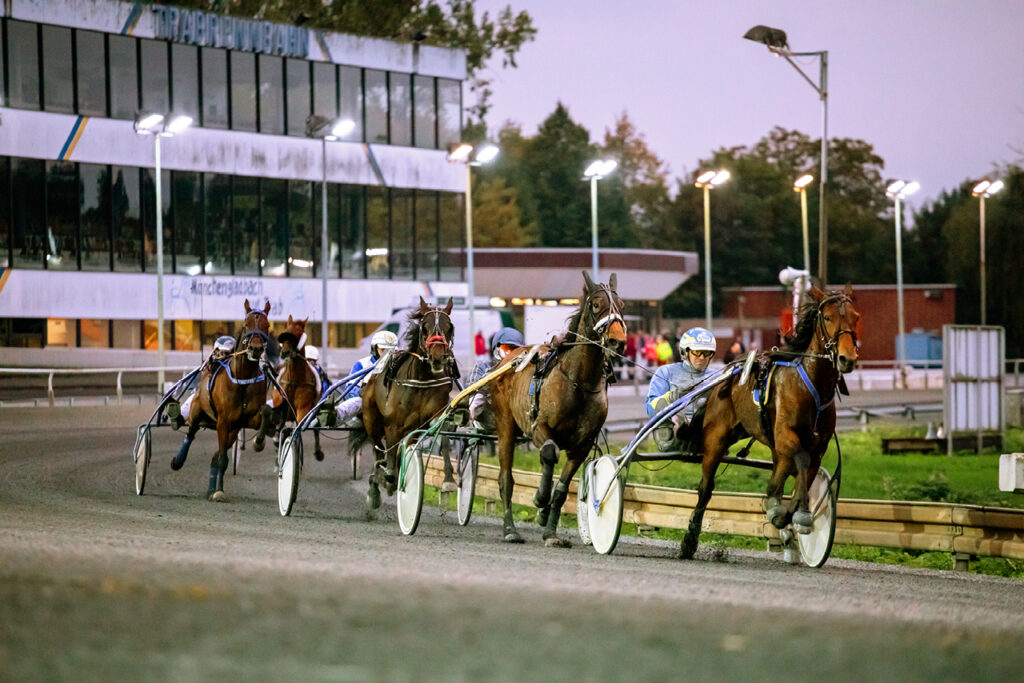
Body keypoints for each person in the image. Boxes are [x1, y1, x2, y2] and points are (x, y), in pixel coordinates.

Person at [645, 327, 717, 448]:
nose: (702, 358)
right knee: (662, 403)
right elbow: (650, 407)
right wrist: (670, 397)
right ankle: (667, 443)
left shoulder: (718, 376)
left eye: (706, 353)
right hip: (676, 432)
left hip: (709, 433)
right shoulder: (665, 372)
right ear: (685, 352)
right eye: (697, 352)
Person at [168, 335, 236, 430]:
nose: (225, 357)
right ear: (215, 352)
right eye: (223, 353)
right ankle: (179, 418)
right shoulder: (210, 365)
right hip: (207, 399)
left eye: (228, 353)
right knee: (195, 397)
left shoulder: (235, 369)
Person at [333, 330, 398, 425]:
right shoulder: (361, 364)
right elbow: (350, 390)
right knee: (356, 403)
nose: (387, 354)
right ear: (374, 349)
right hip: (369, 405)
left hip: (392, 404)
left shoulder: (400, 366)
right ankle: (334, 415)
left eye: (391, 351)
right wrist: (365, 396)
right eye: (383, 350)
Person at [466, 326, 524, 431]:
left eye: (515, 349)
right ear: (496, 349)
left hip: (517, 420)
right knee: (476, 396)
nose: (511, 353)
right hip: (488, 419)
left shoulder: (522, 371)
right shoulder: (482, 366)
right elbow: (471, 387)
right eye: (507, 348)